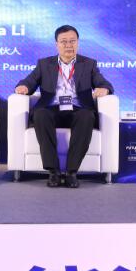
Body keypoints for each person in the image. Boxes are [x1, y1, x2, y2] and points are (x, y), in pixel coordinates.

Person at [15, 25, 114, 188]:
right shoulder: (44, 64)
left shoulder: (88, 64)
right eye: (64, 41)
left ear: (78, 43)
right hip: (52, 108)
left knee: (87, 116)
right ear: (57, 44)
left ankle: (71, 172)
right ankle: (53, 171)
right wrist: (23, 86)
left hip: (77, 109)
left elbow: (103, 82)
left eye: (72, 41)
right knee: (40, 114)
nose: (69, 45)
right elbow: (30, 80)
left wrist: (105, 89)